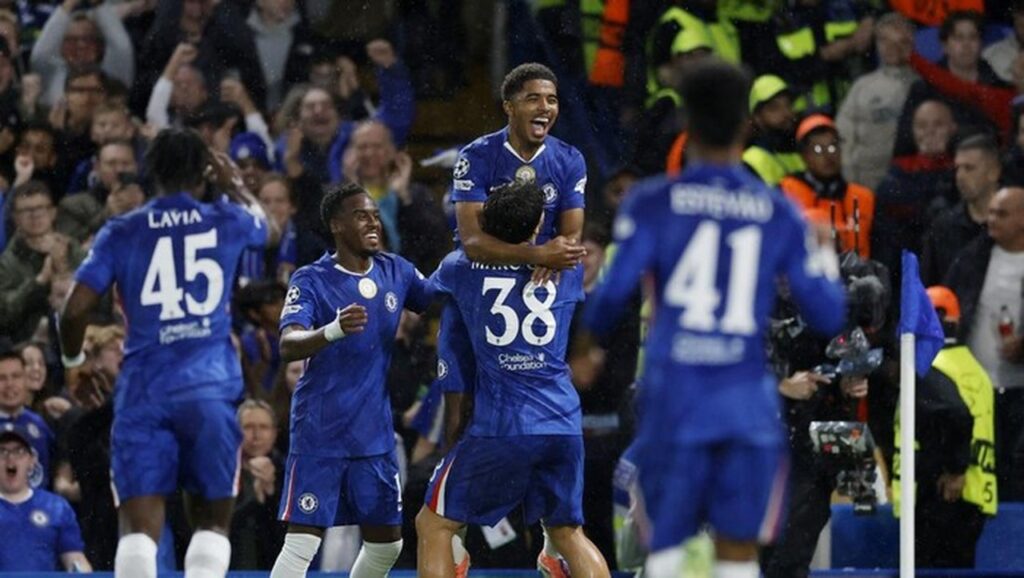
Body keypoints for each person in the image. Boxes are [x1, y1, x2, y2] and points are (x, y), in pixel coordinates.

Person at [584, 59, 847, 578]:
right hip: (744, 403)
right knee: (737, 554)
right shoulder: (777, 211)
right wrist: (821, 253)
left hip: (672, 398)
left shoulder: (651, 202)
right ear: (745, 126)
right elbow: (827, 313)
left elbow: (608, 301)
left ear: (687, 123)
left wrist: (586, 346)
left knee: (667, 549)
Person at [58, 128, 277, 578]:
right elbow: (268, 230)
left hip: (144, 391)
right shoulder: (227, 219)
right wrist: (235, 185)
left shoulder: (123, 230)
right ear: (204, 173)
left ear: (150, 172)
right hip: (209, 390)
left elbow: (74, 310)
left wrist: (74, 364)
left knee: (138, 531)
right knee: (212, 522)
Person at [436, 61, 587, 575]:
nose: (545, 107)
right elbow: (472, 241)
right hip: (476, 294)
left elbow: (572, 238)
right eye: (533, 98)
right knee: (458, 400)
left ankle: (529, 539)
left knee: (517, 398)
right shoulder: (477, 156)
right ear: (508, 106)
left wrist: (549, 255)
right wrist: (538, 255)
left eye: (552, 98)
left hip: (523, 289)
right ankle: (461, 526)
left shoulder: (568, 159)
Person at [416, 181, 610, 578]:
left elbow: (421, 296)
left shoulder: (459, 266)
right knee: (568, 533)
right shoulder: (568, 268)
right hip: (563, 421)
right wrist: (543, 251)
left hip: (503, 425)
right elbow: (562, 237)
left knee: (433, 524)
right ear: (538, 224)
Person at [268, 181, 434, 578]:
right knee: (302, 543)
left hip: (374, 435)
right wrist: (332, 330)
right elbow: (288, 345)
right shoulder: (311, 279)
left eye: (375, 215)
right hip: (321, 432)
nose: (373, 222)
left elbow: (438, 297)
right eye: (361, 216)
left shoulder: (397, 270)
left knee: (387, 545)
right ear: (336, 225)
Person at [890, 286, 996, 568]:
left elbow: (957, 415)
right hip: (976, 493)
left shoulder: (930, 367)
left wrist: (956, 469)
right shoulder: (976, 369)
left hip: (940, 491)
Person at [944, 186, 1024, 501]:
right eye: (990, 212)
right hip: (977, 390)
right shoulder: (972, 258)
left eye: (1001, 213)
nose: (991, 219)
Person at [0, 422, 91, 572]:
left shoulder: (56, 507)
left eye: (19, 451)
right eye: (2, 451)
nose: (10, 459)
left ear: (32, 461)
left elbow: (74, 559)